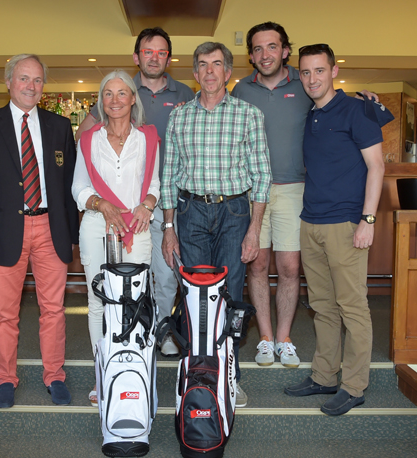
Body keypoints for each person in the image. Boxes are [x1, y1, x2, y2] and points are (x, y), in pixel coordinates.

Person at [231, 22, 378, 369]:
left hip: (297, 189)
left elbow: (333, 98)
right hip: (253, 192)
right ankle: (265, 339)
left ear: (284, 51)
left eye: (272, 47)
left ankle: (285, 339)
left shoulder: (303, 83)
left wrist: (363, 97)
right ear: (250, 54)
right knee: (257, 264)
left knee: (290, 267)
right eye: (257, 48)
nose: (264, 54)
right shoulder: (240, 90)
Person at [0, 54, 79, 408]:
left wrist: (72, 235)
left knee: (54, 310)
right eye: (24, 79)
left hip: (50, 228)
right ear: (9, 82)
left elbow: (70, 187)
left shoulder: (60, 126)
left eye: (38, 80)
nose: (31, 86)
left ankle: (54, 376)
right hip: (4, 233)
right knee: (4, 313)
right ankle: (5, 379)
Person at [161, 42, 271, 408]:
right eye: (203, 65)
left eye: (217, 65)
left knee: (230, 297)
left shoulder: (248, 115)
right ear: (194, 74)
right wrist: (168, 227)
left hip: (234, 214)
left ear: (228, 72)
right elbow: (169, 175)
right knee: (194, 298)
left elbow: (261, 176)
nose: (210, 71)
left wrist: (254, 229)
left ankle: (229, 376)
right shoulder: (179, 116)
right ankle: (196, 373)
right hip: (190, 213)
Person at [77, 27, 195, 358]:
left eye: (161, 52)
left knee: (165, 273)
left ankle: (161, 330)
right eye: (148, 51)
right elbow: (85, 138)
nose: (154, 57)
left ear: (168, 57)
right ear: (137, 56)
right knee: (119, 285)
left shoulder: (185, 92)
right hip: (120, 207)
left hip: (163, 201)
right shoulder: (122, 89)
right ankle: (118, 352)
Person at [284, 44, 385, 416]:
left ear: (334, 70)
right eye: (306, 72)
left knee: (353, 307)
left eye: (319, 71)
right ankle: (325, 376)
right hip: (311, 222)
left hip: (346, 224)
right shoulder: (311, 113)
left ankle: (354, 385)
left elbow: (377, 167)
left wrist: (368, 220)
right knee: (323, 307)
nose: (312, 79)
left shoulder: (357, 109)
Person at [72, 69, 160, 407]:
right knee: (98, 304)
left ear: (133, 98)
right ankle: (101, 376)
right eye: (108, 94)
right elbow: (78, 187)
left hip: (136, 228)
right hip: (97, 226)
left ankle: (133, 372)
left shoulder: (148, 138)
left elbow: (153, 185)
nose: (115, 100)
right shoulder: (89, 139)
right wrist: (100, 204)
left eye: (122, 93)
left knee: (136, 303)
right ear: (101, 101)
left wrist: (148, 204)